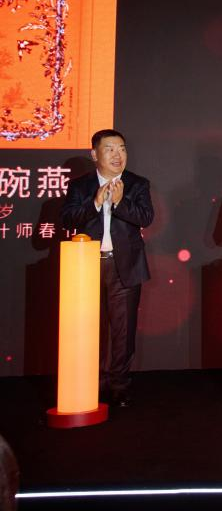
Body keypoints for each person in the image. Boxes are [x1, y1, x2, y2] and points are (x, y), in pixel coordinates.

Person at [60, 129, 154, 408]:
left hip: (123, 265)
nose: (117, 155)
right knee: (90, 328)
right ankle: (93, 383)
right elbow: (68, 218)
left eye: (122, 149)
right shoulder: (80, 186)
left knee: (123, 331)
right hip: (86, 267)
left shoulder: (137, 183)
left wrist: (120, 202)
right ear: (94, 154)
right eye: (110, 149)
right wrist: (96, 203)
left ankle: (119, 386)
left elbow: (146, 217)